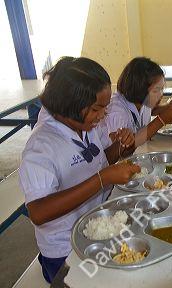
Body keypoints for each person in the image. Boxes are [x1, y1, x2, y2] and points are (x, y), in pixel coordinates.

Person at [19, 57, 140, 283]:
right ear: (71, 105)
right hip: (65, 250)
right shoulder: (41, 148)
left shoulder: (85, 124)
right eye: (97, 109)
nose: (103, 115)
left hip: (98, 227)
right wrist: (102, 179)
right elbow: (38, 212)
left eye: (105, 108)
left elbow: (102, 158)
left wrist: (122, 146)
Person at [104, 57, 172, 146]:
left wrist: (168, 107)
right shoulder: (117, 113)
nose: (161, 95)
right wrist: (161, 120)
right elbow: (124, 149)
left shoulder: (141, 101)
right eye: (156, 90)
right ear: (140, 89)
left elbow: (151, 110)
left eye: (162, 89)